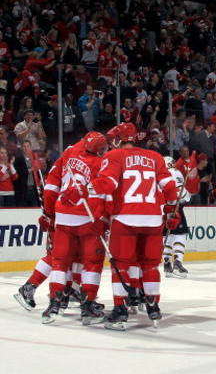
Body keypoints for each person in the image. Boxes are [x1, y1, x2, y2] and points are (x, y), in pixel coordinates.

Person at [78, 123, 178, 330]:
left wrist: (86, 187)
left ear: (118, 139)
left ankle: (120, 311)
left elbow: (107, 184)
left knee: (121, 265)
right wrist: (170, 210)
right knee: (150, 265)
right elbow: (169, 187)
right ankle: (153, 307)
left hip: (126, 218)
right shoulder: (155, 157)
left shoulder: (114, 157)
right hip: (152, 219)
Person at [40, 131, 108, 325]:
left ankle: (54, 304)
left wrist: (49, 213)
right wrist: (105, 219)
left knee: (60, 262)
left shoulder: (69, 154)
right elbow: (103, 193)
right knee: (91, 263)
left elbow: (51, 187)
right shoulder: (100, 164)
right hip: (85, 218)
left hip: (63, 214)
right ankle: (88, 306)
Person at [163, 156, 190, 278]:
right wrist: (186, 196)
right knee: (180, 234)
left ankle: (167, 263)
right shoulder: (175, 172)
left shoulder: (158, 174)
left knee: (167, 237)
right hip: (175, 208)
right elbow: (180, 191)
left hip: (162, 210)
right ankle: (178, 262)